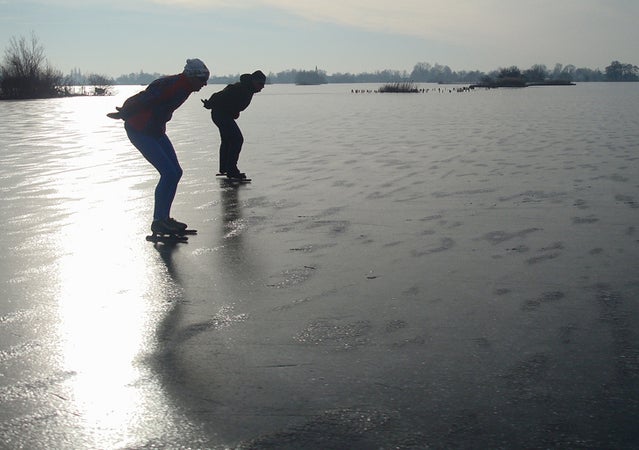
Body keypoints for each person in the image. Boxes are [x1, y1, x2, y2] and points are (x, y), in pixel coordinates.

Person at [108, 58, 210, 235]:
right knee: (168, 173)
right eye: (202, 80)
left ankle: (165, 218)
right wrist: (125, 112)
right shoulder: (172, 85)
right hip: (138, 128)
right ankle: (158, 221)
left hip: (154, 130)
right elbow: (144, 97)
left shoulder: (185, 87)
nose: (204, 84)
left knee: (176, 172)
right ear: (192, 76)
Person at [202, 70, 266, 180]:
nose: (262, 87)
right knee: (237, 139)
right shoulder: (241, 88)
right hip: (220, 114)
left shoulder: (248, 89)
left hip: (223, 115)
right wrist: (209, 104)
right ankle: (231, 170)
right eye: (260, 84)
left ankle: (225, 168)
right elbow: (220, 95)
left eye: (263, 84)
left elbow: (233, 103)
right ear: (253, 81)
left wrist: (234, 111)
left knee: (228, 140)